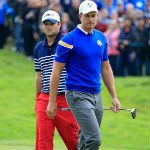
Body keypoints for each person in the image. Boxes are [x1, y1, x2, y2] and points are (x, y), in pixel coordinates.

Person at [47, 0, 121, 150]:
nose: (91, 19)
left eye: (94, 15)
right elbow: (56, 72)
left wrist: (114, 96)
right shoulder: (68, 39)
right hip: (77, 94)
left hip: (96, 94)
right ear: (80, 16)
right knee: (94, 139)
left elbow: (106, 68)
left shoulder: (101, 38)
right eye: (87, 16)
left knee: (86, 137)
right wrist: (52, 101)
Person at [33, 10, 79, 150]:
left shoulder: (68, 43)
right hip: (44, 98)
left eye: (52, 23)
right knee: (43, 143)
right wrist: (38, 98)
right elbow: (39, 76)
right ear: (42, 26)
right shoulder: (38, 48)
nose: (49, 27)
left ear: (59, 24)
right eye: (46, 24)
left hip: (65, 99)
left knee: (74, 141)